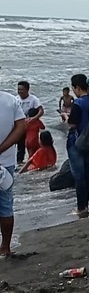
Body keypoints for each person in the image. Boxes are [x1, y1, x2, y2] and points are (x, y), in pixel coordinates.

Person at [66, 74, 89, 218]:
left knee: (78, 176)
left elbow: (72, 124)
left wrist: (65, 117)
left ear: (77, 87)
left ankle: (81, 207)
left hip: (76, 141)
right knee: (87, 173)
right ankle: (85, 204)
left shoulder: (78, 103)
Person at [0, 90, 25, 257]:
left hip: (6, 162)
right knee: (6, 206)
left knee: (6, 206)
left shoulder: (11, 100)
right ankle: (5, 247)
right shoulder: (11, 100)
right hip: (6, 162)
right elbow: (21, 128)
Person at [16, 82, 43, 165]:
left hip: (31, 126)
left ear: (27, 90)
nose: (20, 91)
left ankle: (33, 160)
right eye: (18, 89)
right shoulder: (16, 99)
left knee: (31, 144)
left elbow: (41, 111)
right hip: (20, 125)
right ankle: (20, 162)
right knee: (20, 144)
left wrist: (33, 119)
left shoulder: (33, 99)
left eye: (22, 89)